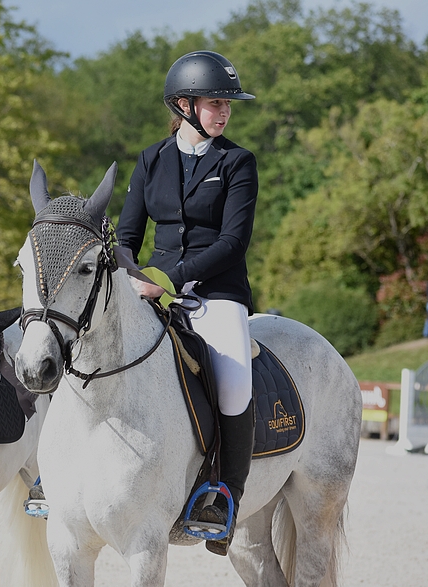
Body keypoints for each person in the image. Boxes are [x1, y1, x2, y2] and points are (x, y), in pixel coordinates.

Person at [114, 50, 257, 556]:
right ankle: (57, 472)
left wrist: (168, 280)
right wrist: (131, 278)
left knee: (235, 384)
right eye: (216, 102)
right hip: (150, 288)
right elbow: (128, 235)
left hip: (216, 293)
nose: (224, 113)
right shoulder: (151, 159)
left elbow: (232, 243)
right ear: (184, 104)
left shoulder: (237, 162)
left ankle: (224, 497)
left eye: (228, 105)